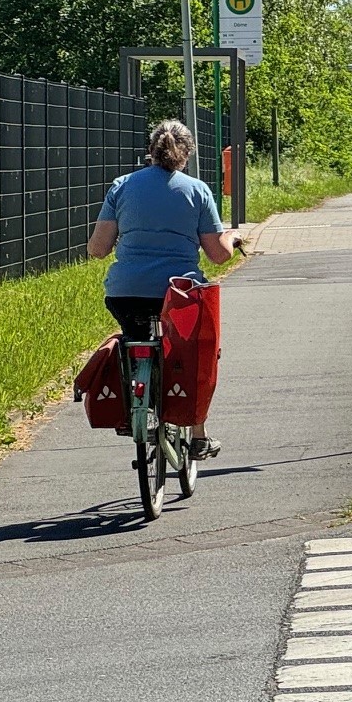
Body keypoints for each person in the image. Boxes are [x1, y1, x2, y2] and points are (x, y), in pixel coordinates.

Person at [86, 119, 241, 459]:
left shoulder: (122, 186)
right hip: (179, 295)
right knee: (195, 354)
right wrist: (232, 236)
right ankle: (198, 433)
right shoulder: (197, 190)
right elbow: (217, 255)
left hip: (127, 292)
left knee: (133, 340)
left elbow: (97, 249)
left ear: (151, 151)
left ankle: (131, 407)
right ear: (187, 154)